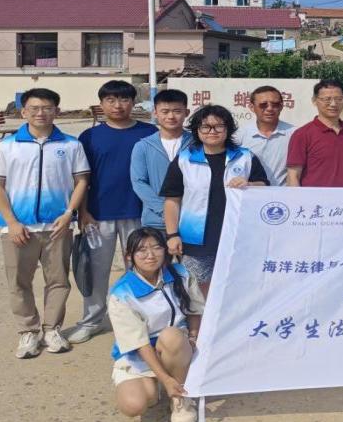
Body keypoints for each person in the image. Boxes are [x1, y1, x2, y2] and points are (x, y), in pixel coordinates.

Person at [0, 88, 89, 358]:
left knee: (58, 281)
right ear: (23, 112)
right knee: (18, 282)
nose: (41, 113)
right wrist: (12, 221)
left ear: (57, 111)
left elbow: (81, 181)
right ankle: (28, 331)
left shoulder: (71, 145)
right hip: (19, 228)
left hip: (57, 227)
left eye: (47, 108)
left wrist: (69, 213)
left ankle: (52, 329)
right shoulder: (7, 146)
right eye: (34, 108)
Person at [65, 80, 157, 345]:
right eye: (111, 100)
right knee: (96, 271)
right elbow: (82, 179)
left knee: (142, 268)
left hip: (139, 213)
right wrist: (83, 212)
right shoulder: (90, 137)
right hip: (97, 215)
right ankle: (92, 320)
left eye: (124, 99)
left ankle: (142, 318)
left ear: (133, 102)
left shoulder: (149, 133)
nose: (118, 105)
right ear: (101, 104)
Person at [163, 105, 269, 292]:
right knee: (197, 292)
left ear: (228, 129)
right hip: (196, 239)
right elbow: (172, 200)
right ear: (197, 130)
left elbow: (265, 188)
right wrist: (172, 235)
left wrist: (250, 184)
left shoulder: (245, 157)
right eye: (206, 127)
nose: (212, 131)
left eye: (219, 126)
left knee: (236, 288)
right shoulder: (184, 160)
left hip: (238, 237)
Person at [109, 227, 202, 422]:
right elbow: (139, 344)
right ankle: (163, 384)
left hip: (176, 344)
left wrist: (193, 337)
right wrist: (165, 379)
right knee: (134, 405)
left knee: (171, 336)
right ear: (129, 256)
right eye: (142, 250)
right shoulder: (121, 293)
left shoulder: (181, 274)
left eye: (156, 247)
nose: (150, 255)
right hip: (141, 353)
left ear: (165, 250)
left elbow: (195, 310)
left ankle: (180, 397)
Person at [131, 89, 193, 230]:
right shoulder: (143, 146)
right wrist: (164, 210)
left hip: (192, 220)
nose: (171, 116)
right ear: (155, 113)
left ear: (186, 112)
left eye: (177, 111)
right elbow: (139, 182)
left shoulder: (197, 144)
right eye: (165, 111)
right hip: (156, 221)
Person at [286, 79, 343, 187]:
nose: (333, 104)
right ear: (314, 101)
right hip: (314, 197)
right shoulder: (302, 134)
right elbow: (293, 176)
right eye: (327, 99)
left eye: (339, 99)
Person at [233, 85, 295, 186]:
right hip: (249, 191)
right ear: (252, 107)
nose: (269, 108)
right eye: (263, 105)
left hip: (283, 193)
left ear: (281, 106)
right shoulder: (239, 135)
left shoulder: (294, 133)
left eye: (275, 104)